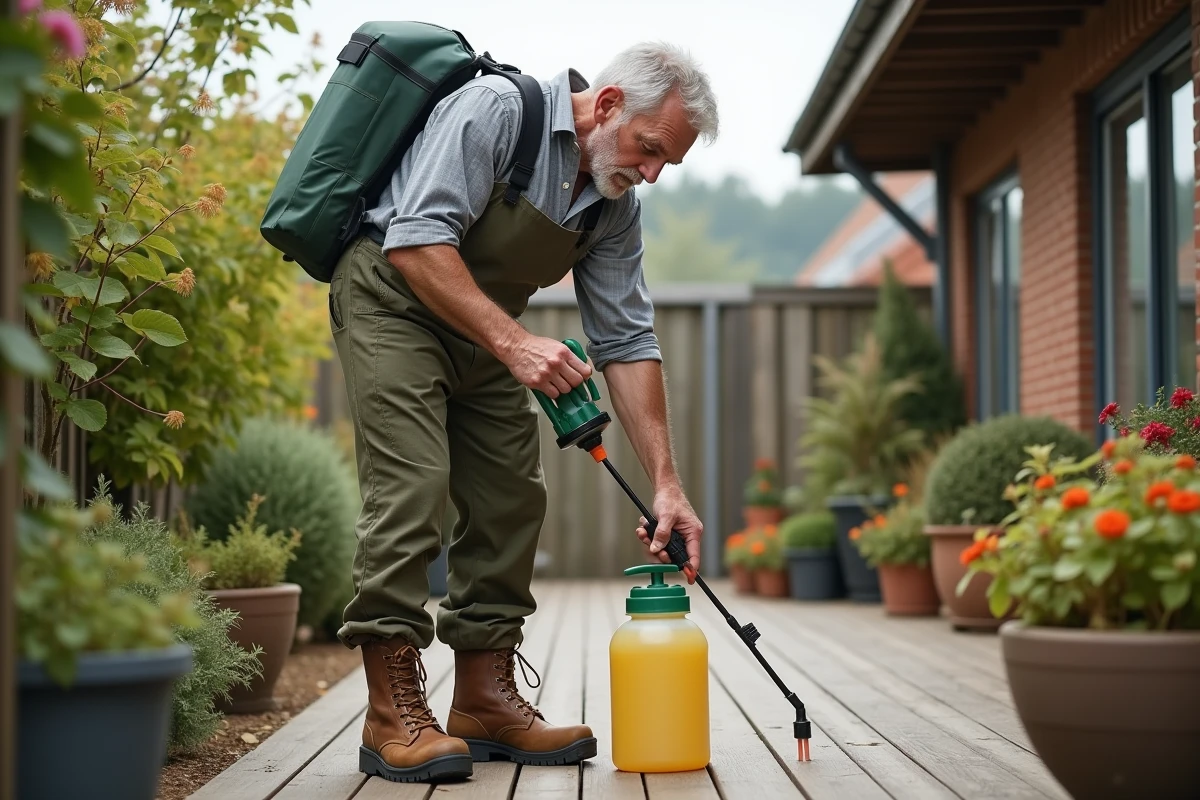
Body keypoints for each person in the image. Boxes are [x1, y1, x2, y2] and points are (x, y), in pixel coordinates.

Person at [326, 40, 719, 783]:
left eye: (667, 162)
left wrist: (668, 484)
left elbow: (627, 340)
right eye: (649, 148)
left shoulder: (612, 208)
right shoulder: (497, 111)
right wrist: (514, 344)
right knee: (413, 486)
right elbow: (416, 239)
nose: (652, 174)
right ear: (608, 105)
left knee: (512, 496)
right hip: (392, 303)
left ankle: (483, 700)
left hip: (484, 329)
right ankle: (389, 714)